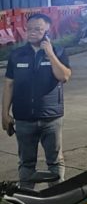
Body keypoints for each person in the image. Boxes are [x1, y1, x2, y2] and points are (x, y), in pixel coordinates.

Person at [2, 13, 72, 188]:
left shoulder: (58, 52)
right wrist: (5, 113)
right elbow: (9, 84)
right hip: (24, 118)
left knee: (55, 161)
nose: (32, 32)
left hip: (51, 118)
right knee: (26, 163)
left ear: (47, 30)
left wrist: (50, 53)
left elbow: (64, 76)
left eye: (38, 29)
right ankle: (27, 198)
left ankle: (57, 197)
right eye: (29, 29)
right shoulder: (17, 55)